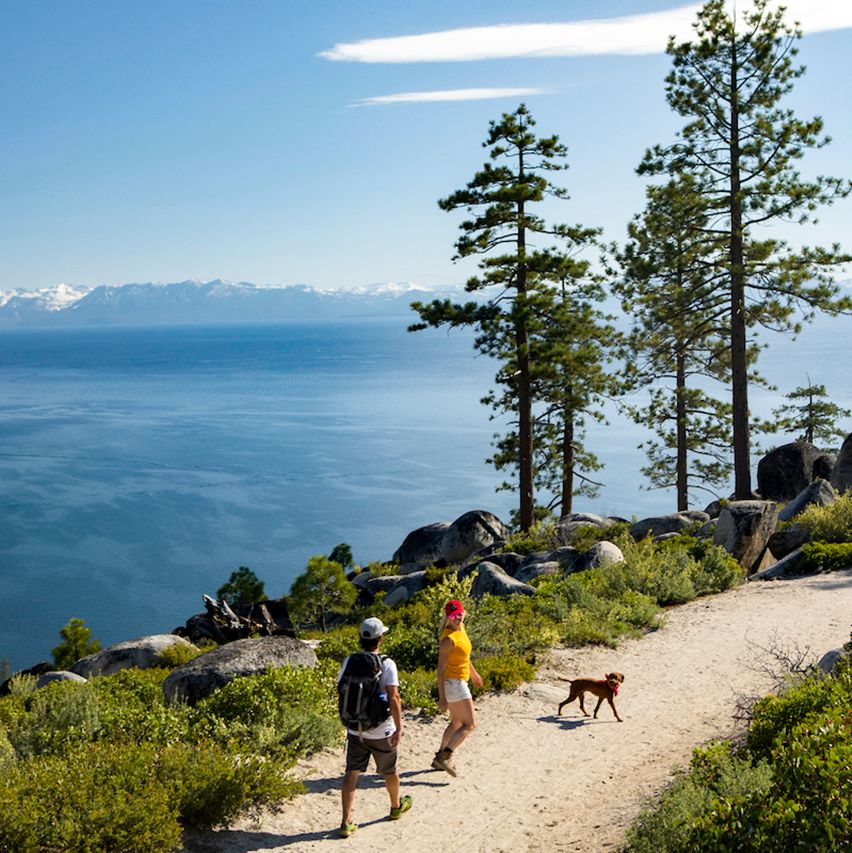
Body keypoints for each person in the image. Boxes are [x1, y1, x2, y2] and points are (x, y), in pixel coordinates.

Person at [338, 616, 412, 838]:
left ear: (361, 637)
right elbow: (394, 697)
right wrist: (399, 727)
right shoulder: (387, 663)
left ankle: (346, 821)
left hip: (355, 728)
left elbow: (341, 689)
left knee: (352, 771)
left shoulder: (349, 660)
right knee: (389, 769)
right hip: (381, 728)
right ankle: (395, 806)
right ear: (381, 638)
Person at [432, 599, 482, 776]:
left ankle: (439, 756)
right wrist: (442, 698)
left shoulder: (461, 630)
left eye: (459, 613)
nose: (457, 617)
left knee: (456, 723)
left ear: (464, 612)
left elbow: (465, 657)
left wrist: (474, 675)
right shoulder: (448, 639)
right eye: (453, 615)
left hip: (459, 681)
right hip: (454, 684)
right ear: (447, 617)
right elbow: (440, 670)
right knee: (470, 724)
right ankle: (445, 757)